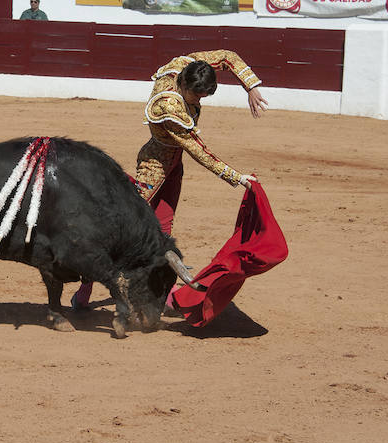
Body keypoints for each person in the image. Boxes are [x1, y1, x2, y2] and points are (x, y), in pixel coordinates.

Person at [70, 50, 267, 310]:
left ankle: (166, 289)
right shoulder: (168, 105)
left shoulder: (185, 65)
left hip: (173, 165)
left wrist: (250, 86)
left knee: (164, 227)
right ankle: (85, 287)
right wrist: (236, 177)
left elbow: (227, 56)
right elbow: (198, 149)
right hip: (154, 166)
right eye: (197, 95)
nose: (199, 100)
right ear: (184, 85)